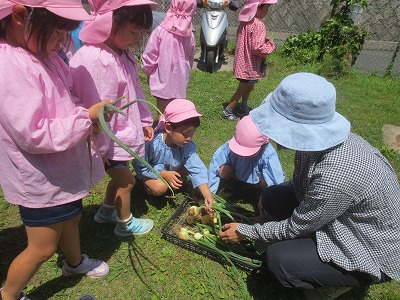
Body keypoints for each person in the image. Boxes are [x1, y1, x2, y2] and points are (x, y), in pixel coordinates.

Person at [219, 73, 400, 299]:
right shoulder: (315, 144)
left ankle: (325, 287)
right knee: (272, 196)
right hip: (343, 214)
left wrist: (247, 231)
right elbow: (302, 183)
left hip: (366, 246)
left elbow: (296, 227)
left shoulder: (335, 173)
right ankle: (311, 252)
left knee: (279, 259)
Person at [0, 1, 112, 299]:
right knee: (42, 247)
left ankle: (74, 263)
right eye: (58, 31)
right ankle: (9, 294)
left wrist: (86, 115)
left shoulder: (45, 55)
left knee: (71, 219)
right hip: (40, 179)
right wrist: (85, 118)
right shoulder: (9, 65)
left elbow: (67, 97)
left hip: (61, 170)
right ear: (20, 16)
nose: (63, 40)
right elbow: (33, 133)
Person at [70, 0, 158, 237]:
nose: (136, 38)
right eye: (133, 31)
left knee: (122, 176)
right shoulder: (98, 59)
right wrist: (103, 145)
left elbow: (134, 90)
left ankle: (107, 211)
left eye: (140, 33)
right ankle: (125, 223)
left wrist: (144, 120)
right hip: (108, 138)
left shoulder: (122, 52)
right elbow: (98, 108)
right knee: (127, 182)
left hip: (121, 132)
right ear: (110, 22)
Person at [132, 99, 215, 212]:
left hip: (169, 170)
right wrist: (163, 174)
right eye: (185, 134)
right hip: (151, 172)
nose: (189, 138)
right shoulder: (151, 144)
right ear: (168, 128)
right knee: (160, 188)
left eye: (192, 133)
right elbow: (141, 165)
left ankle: (172, 178)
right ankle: (144, 186)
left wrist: (207, 194)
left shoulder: (186, 146)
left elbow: (197, 168)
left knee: (191, 165)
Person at [221, 0, 276, 121]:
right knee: (243, 87)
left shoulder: (245, 22)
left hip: (243, 62)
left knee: (249, 85)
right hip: (250, 64)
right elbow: (257, 47)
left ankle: (243, 107)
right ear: (258, 8)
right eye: (267, 8)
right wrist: (270, 46)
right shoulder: (259, 25)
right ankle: (228, 111)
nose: (267, 11)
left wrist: (263, 40)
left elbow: (250, 41)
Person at [208, 115, 285, 199]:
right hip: (236, 175)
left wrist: (268, 200)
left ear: (264, 143)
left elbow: (275, 180)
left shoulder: (268, 154)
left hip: (257, 181)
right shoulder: (229, 148)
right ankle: (234, 185)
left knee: (266, 184)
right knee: (223, 170)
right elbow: (214, 166)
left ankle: (260, 194)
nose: (243, 154)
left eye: (249, 151)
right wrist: (209, 194)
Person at [141, 0, 197, 114]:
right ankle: (173, 127)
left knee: (162, 111)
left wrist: (148, 71)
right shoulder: (190, 36)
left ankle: (162, 127)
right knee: (175, 110)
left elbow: (150, 54)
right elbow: (190, 57)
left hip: (162, 79)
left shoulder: (160, 31)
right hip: (180, 80)